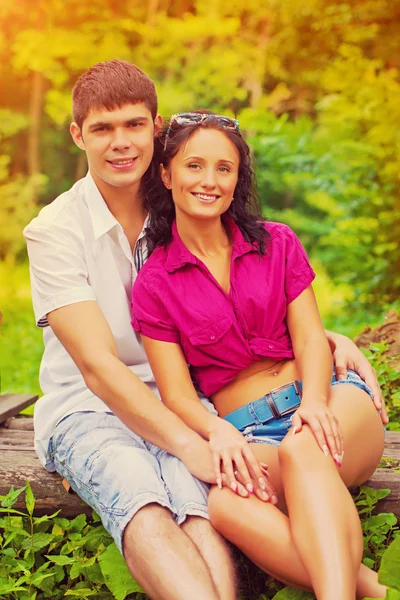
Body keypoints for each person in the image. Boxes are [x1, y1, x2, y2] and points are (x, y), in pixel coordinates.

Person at [23, 60, 386, 600]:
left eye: (134, 126)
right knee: (147, 496)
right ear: (78, 135)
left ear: (155, 129)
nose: (121, 143)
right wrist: (195, 440)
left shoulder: (181, 204)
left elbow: (254, 294)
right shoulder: (57, 231)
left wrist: (328, 340)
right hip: (100, 406)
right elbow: (100, 370)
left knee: (204, 504)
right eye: (102, 128)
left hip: (197, 406)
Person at [131, 111, 388, 600]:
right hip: (252, 433)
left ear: (236, 180)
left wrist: (313, 403)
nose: (209, 181)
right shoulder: (155, 283)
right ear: (166, 174)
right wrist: (219, 431)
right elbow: (178, 396)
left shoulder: (278, 243)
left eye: (224, 169)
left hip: (331, 402)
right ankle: (373, 590)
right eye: (194, 166)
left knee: (303, 445)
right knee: (226, 507)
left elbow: (312, 339)